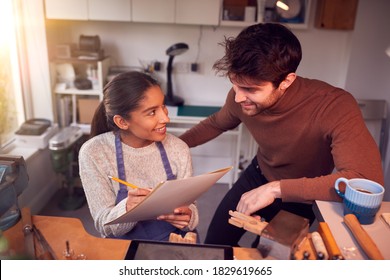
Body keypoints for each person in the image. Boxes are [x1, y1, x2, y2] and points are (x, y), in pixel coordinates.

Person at [179, 23, 384, 247]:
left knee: (269, 258)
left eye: (250, 89)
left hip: (299, 196)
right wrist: (173, 145)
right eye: (234, 84)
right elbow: (216, 123)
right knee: (215, 245)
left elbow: (365, 180)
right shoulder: (240, 96)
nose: (238, 98)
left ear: (286, 81)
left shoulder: (333, 105)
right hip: (257, 176)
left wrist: (276, 189)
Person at [79, 71, 199, 241]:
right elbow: (104, 225)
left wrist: (188, 217)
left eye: (163, 106)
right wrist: (129, 210)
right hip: (124, 249)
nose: (166, 118)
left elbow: (191, 210)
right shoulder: (94, 152)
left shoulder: (178, 148)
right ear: (122, 122)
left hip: (174, 245)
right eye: (152, 112)